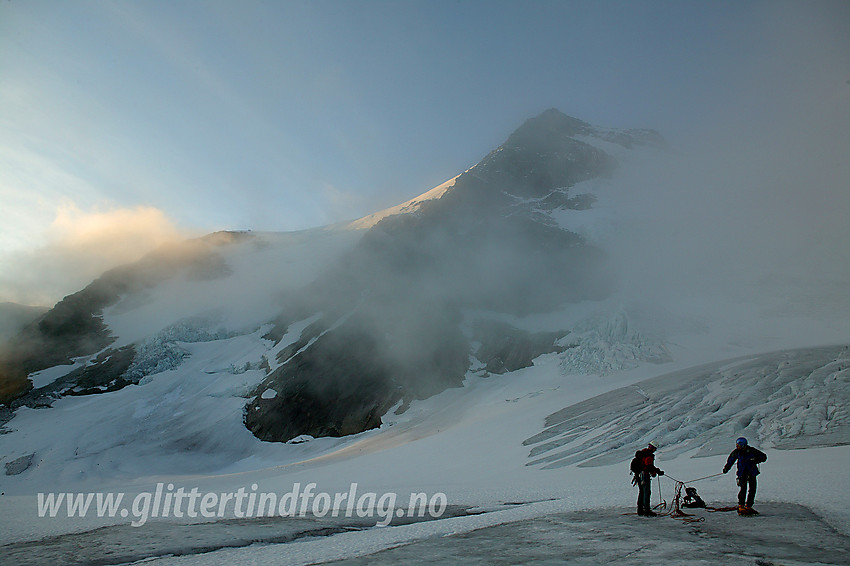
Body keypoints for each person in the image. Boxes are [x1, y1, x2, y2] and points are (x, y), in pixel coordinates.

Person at [722, 437, 767, 515]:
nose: (737, 447)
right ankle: (741, 506)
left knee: (752, 489)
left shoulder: (752, 451)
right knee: (743, 489)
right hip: (742, 473)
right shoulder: (736, 452)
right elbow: (731, 460)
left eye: (738, 445)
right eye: (737, 445)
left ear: (743, 445)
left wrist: (755, 460)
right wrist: (726, 468)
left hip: (751, 472)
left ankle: (749, 506)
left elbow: (763, 457)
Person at [633, 441, 664, 516]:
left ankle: (640, 510)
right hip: (644, 476)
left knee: (641, 492)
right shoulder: (649, 455)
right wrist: (657, 471)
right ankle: (647, 510)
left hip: (639, 476)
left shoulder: (643, 453)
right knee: (646, 492)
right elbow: (649, 466)